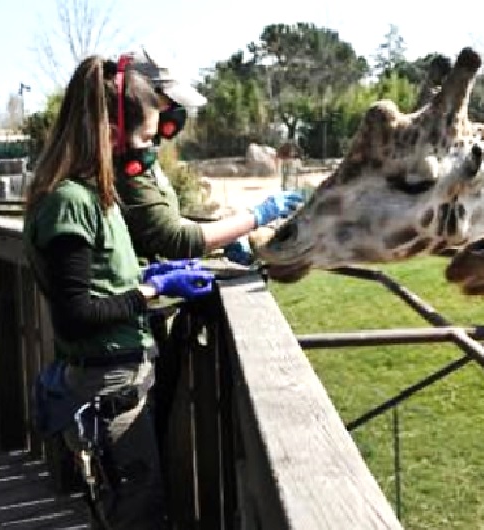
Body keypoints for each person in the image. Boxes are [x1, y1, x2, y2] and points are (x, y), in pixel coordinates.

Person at [24, 54, 215, 529]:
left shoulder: (95, 196)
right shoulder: (70, 202)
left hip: (121, 379)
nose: (149, 152)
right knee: (135, 511)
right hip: (108, 388)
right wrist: (151, 291)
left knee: (134, 505)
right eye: (147, 138)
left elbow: (103, 281)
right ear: (112, 131)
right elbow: (75, 314)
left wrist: (156, 273)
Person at [114, 47, 303, 265]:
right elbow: (171, 238)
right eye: (168, 100)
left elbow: (161, 222)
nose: (176, 111)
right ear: (135, 96)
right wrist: (257, 215)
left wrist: (223, 237)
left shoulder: (143, 155)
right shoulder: (127, 164)